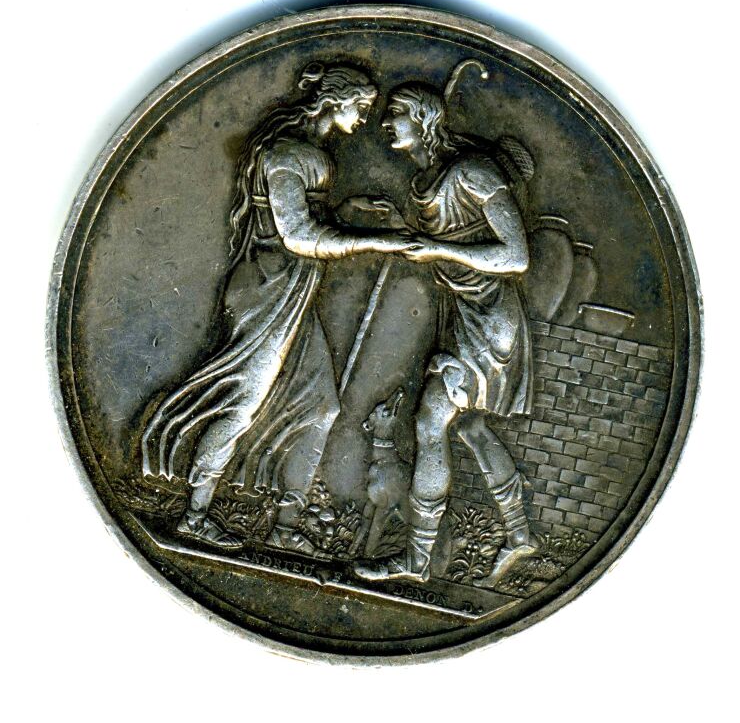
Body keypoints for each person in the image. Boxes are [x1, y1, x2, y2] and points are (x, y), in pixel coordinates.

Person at [141, 63, 411, 548]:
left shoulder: (312, 155)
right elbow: (298, 236)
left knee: (323, 407)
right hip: (267, 293)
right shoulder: (288, 153)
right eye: (360, 106)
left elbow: (305, 218)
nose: (364, 118)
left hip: (295, 292)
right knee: (242, 403)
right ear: (334, 101)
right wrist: (376, 242)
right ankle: (195, 515)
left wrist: (351, 214)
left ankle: (286, 529)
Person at [354, 82, 536, 587]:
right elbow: (441, 239)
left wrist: (438, 250)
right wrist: (397, 224)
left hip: (490, 318)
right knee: (470, 427)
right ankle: (520, 535)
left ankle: (416, 561)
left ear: (424, 119)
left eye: (396, 113)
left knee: (430, 422)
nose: (385, 123)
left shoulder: (473, 173)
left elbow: (516, 257)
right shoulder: (425, 181)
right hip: (460, 312)